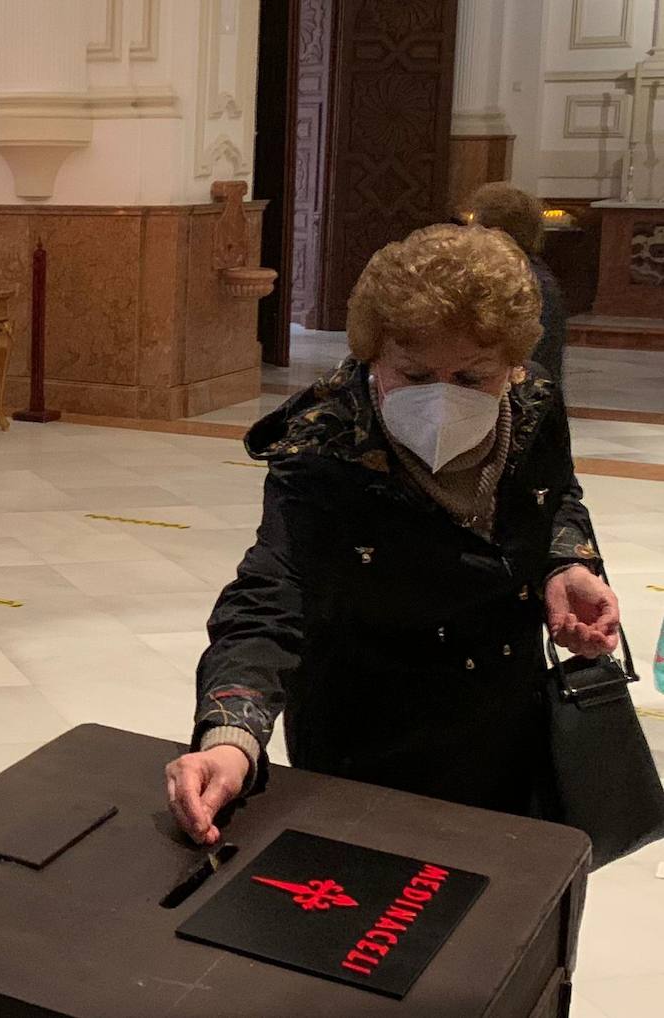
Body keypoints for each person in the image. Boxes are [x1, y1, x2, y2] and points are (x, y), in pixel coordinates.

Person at [166, 224, 620, 847]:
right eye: (412, 373)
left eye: (472, 379)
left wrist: (566, 564)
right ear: (372, 356)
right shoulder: (322, 442)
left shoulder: (536, 401)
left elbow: (556, 495)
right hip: (367, 729)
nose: (441, 400)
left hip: (506, 709)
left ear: (512, 367)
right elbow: (272, 594)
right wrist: (230, 737)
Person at [469, 182, 568, 386]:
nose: (468, 232)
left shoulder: (523, 282)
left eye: (473, 222)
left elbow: (527, 358)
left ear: (495, 232)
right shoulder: (520, 271)